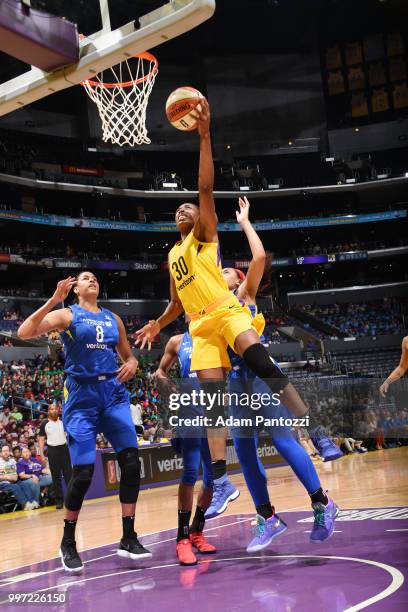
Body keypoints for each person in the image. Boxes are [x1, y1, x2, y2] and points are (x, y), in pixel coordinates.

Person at [135, 100, 337, 516]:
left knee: (264, 364)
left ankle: (315, 429)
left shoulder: (204, 237)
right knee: (212, 405)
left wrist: (205, 135)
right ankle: (222, 478)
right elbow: (175, 303)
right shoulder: (173, 257)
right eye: (178, 209)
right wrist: (157, 324)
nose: (183, 209)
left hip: (226, 311)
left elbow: (205, 188)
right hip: (199, 326)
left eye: (187, 207)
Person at [219, 198, 339, 549]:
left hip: (259, 375)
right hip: (235, 381)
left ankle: (323, 503)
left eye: (227, 270)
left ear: (238, 279)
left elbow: (258, 259)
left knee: (285, 441)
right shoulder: (211, 309)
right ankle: (267, 517)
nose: (223, 272)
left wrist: (244, 223)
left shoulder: (244, 294)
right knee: (243, 451)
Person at [17, 271, 151, 573]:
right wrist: (53, 299)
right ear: (75, 288)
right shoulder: (67, 314)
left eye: (94, 278)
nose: (91, 280)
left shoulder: (113, 318)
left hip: (113, 393)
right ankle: (68, 542)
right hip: (82, 396)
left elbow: (129, 356)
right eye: (85, 278)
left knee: (131, 463)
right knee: (84, 474)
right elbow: (25, 332)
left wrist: (131, 363)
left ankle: (128, 537)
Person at [155, 328, 229, 566]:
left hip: (213, 413)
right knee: (189, 473)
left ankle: (197, 530)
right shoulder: (177, 341)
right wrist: (166, 384)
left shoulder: (217, 335)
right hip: (189, 412)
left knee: (211, 477)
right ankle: (182, 537)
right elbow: (160, 371)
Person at [38, 404, 72, 510]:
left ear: (58, 410)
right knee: (56, 477)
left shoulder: (63, 421)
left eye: (55, 409)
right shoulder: (44, 423)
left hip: (64, 449)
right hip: (52, 451)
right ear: (48, 411)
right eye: (51, 409)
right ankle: (59, 501)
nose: (54, 411)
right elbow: (41, 439)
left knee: (69, 476)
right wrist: (42, 455)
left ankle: (72, 499)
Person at [0, 444, 38, 511]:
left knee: (24, 484)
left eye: (7, 451)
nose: (6, 452)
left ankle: (31, 501)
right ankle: (25, 504)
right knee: (15, 487)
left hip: (14, 480)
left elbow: (16, 471)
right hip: (3, 482)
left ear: (9, 452)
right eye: (4, 451)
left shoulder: (12, 461)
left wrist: (15, 476)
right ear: (1, 453)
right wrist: (7, 477)